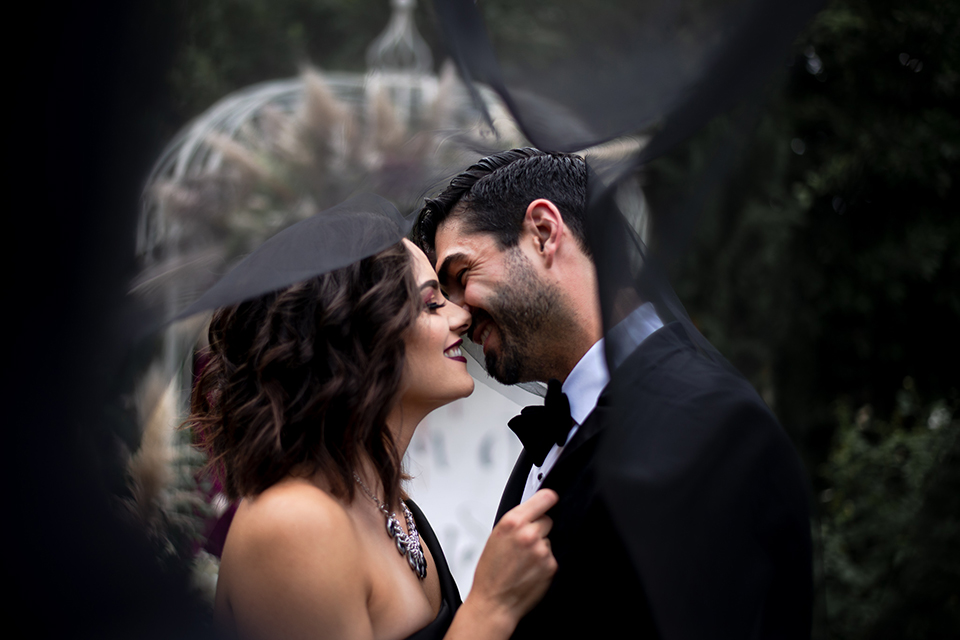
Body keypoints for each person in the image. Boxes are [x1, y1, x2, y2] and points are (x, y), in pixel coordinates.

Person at [414, 148, 814, 639]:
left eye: (461, 276)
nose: (458, 315)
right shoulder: (554, 430)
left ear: (543, 232)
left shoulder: (712, 425)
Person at [188, 235, 559, 640]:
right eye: (432, 303)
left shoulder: (384, 499)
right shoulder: (293, 524)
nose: (462, 316)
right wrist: (491, 607)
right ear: (354, 341)